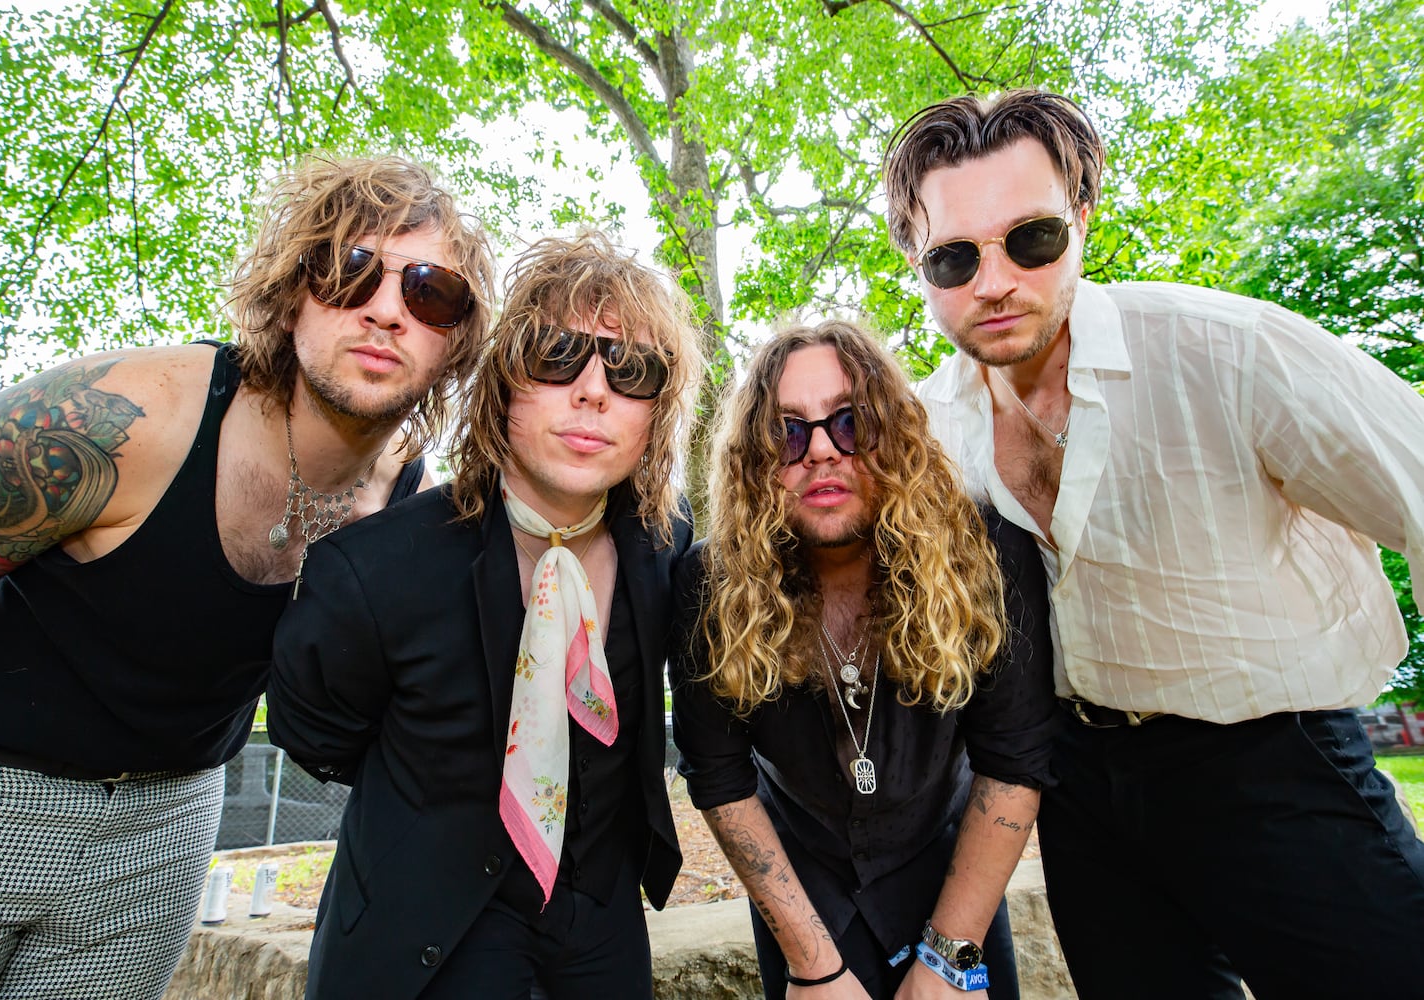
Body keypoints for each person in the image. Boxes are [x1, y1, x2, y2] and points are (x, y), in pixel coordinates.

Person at [883, 87, 1424, 998]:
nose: (995, 280)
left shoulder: (1233, 352)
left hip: (1271, 767)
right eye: (952, 257)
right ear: (916, 261)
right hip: (1083, 788)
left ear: (1083, 215)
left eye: (1033, 238)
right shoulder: (931, 428)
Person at [0, 154, 493, 1000]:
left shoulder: (410, 494)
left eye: (430, 291)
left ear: (456, 345)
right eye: (347, 270)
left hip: (168, 832)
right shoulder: (124, 419)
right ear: (290, 292)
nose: (384, 309)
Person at [265, 231, 704, 999]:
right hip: (422, 936)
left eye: (631, 370)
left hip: (601, 932)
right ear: (503, 384)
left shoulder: (666, 542)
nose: (593, 391)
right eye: (557, 356)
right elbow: (318, 736)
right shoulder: (372, 568)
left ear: (657, 412)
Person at [670, 320, 1056, 1000]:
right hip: (801, 889)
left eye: (851, 422)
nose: (820, 451)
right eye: (787, 432)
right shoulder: (709, 583)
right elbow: (719, 775)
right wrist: (812, 964)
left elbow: (1014, 760)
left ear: (895, 433)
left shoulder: (987, 553)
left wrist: (948, 956)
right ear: (755, 459)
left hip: (952, 874)